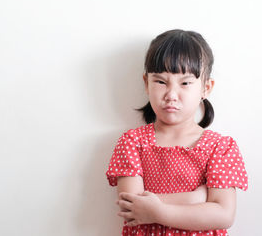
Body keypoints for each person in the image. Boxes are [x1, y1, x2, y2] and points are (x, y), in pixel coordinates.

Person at [106, 29, 248, 236]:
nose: (171, 95)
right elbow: (131, 205)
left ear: (206, 88)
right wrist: (196, 198)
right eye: (161, 82)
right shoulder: (133, 142)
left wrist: (157, 211)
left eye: (185, 83)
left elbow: (223, 215)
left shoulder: (220, 147)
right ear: (147, 83)